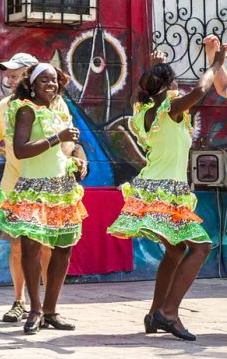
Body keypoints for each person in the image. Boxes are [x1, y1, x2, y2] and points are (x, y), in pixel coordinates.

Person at [107, 46, 226, 341]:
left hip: (151, 188)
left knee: (175, 250)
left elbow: (153, 87)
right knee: (201, 247)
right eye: (174, 83)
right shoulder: (170, 110)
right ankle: (168, 313)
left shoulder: (144, 111)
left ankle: (153, 314)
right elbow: (200, 89)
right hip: (165, 191)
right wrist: (217, 63)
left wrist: (156, 66)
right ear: (169, 87)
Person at [0, 53, 78, 323]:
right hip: (16, 184)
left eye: (16, 72)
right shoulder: (7, 105)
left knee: (50, 245)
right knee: (19, 246)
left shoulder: (58, 103)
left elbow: (69, 140)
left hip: (53, 183)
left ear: (30, 73)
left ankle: (47, 307)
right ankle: (21, 302)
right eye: (8, 72)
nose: (10, 76)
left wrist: (71, 159)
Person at [0, 63, 87, 335]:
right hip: (32, 189)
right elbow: (21, 150)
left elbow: (67, 146)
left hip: (62, 188)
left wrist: (78, 159)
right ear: (31, 84)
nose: (51, 84)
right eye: (44, 80)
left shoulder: (56, 110)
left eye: (54, 80)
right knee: (31, 248)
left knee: (63, 249)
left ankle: (51, 311)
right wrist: (59, 137)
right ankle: (34, 310)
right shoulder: (25, 109)